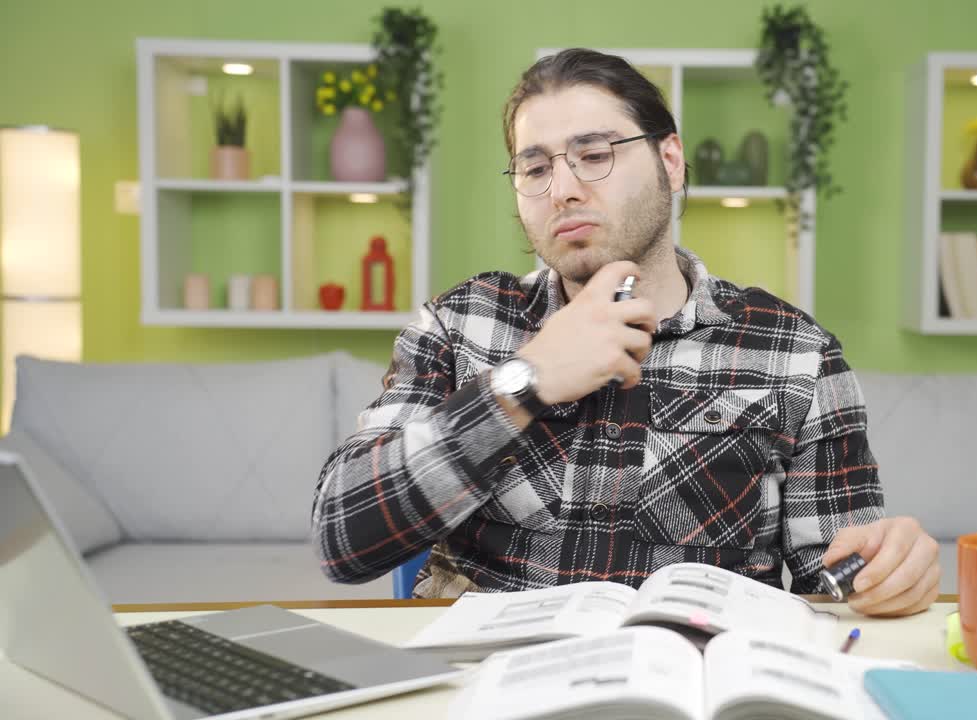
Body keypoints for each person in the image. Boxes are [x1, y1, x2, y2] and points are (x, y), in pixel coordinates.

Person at [312, 48, 940, 617]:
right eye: (535, 169)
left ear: (670, 160)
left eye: (595, 155)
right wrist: (522, 384)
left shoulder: (797, 355)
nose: (563, 189)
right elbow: (343, 540)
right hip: (486, 684)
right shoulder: (460, 324)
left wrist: (886, 575)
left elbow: (833, 595)